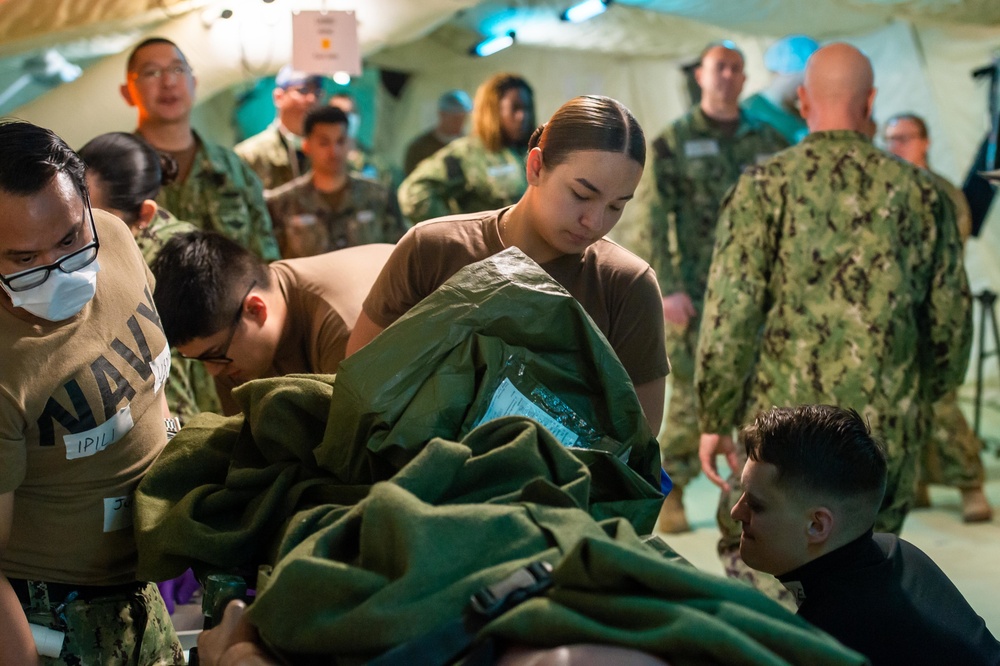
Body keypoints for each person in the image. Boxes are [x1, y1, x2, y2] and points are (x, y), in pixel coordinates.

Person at [696, 43, 972, 583]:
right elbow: (949, 323)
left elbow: (731, 315)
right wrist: (929, 397)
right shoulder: (921, 194)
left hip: (782, 442)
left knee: (763, 572)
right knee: (864, 573)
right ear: (870, 101)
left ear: (802, 101)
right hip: (882, 438)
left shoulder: (763, 187)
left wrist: (713, 416)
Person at [347, 95, 669, 433]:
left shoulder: (626, 285)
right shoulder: (433, 250)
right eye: (582, 195)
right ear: (536, 167)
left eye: (617, 207)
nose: (595, 221)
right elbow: (359, 384)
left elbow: (638, 440)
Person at [0, 120, 182, 663]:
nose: (59, 271)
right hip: (57, 614)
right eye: (23, 260)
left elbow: (150, 379)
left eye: (68, 239)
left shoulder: (118, 240)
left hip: (144, 582)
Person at [633, 41, 788, 533]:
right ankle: (671, 488)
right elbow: (653, 220)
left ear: (745, 80)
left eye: (736, 69)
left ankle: (753, 492)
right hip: (698, 296)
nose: (726, 77)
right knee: (691, 401)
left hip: (760, 292)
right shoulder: (673, 141)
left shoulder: (768, 139)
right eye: (718, 68)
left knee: (762, 396)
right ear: (700, 75)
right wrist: (668, 288)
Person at [732, 404, 1000, 666]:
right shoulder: (896, 553)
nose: (736, 512)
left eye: (756, 505)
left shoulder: (829, 641)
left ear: (817, 525)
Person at [151, 230, 394, 416]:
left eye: (214, 355)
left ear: (256, 309)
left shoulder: (345, 330)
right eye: (201, 360)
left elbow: (356, 450)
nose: (213, 370)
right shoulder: (230, 340)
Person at [883, 112, 991, 523]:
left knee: (942, 404)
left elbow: (948, 256)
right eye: (890, 138)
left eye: (904, 138)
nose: (896, 146)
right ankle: (918, 483)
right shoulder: (887, 189)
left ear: (924, 141)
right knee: (901, 406)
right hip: (895, 314)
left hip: (935, 312)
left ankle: (969, 483)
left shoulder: (944, 192)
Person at [78, 131, 223, 422]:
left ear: (144, 216)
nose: (77, 228)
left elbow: (169, 378)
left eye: (95, 218)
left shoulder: (177, 265)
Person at [120, 36, 281, 261]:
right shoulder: (113, 172)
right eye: (152, 72)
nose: (168, 82)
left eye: (178, 69)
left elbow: (266, 260)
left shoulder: (233, 169)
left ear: (194, 82)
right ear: (127, 92)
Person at [265, 106, 406, 258]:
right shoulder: (281, 204)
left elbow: (400, 254)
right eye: (324, 143)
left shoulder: (379, 197)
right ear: (307, 146)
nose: (334, 151)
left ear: (350, 143)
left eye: (341, 141)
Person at [397, 73, 535, 223]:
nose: (523, 116)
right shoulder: (465, 154)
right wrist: (456, 231)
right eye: (515, 108)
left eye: (527, 108)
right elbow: (413, 192)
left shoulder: (531, 152)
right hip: (490, 245)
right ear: (493, 111)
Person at [234, 66, 327, 190]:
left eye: (317, 93)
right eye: (303, 90)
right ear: (279, 97)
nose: (312, 99)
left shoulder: (327, 154)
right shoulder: (249, 156)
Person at [741, 35, 819, 144]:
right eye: (806, 78)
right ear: (788, 72)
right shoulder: (750, 111)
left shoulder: (798, 114)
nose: (809, 86)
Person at [403, 89, 474, 176]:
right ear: (441, 114)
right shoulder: (420, 147)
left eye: (463, 118)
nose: (459, 123)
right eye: (455, 118)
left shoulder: (470, 145)